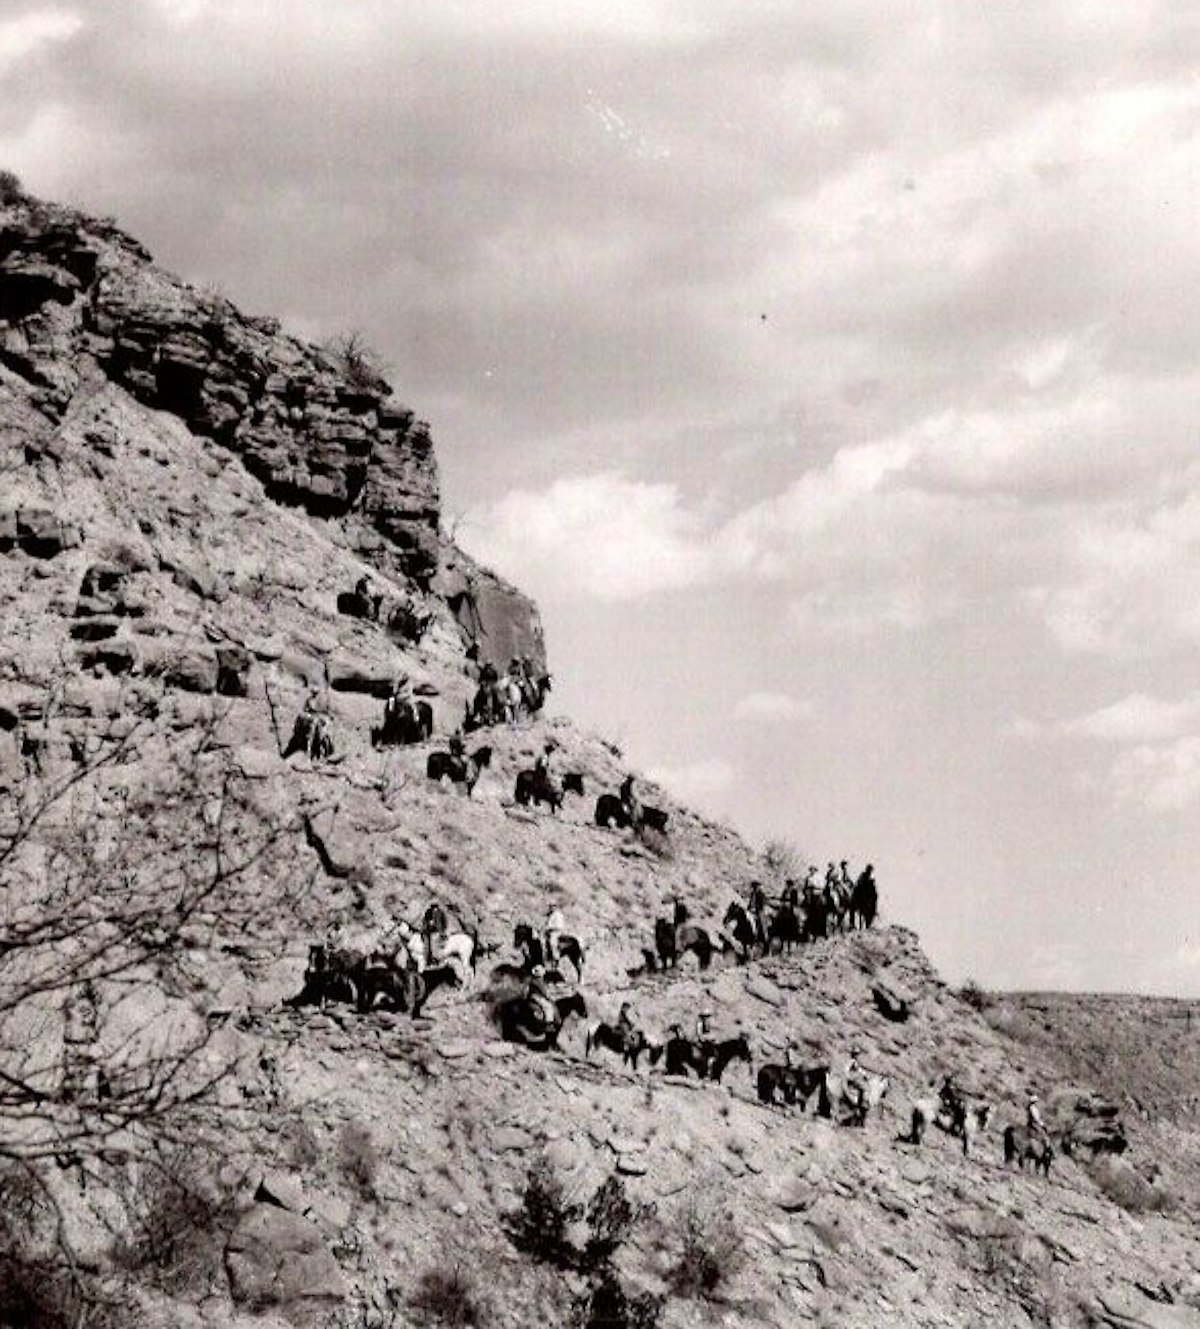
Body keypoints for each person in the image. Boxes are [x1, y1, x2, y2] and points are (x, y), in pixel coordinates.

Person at [526, 965, 557, 1029]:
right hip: (535, 996)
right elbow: (544, 992)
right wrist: (549, 998)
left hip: (534, 996)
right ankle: (549, 1024)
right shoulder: (537, 981)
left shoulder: (534, 980)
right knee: (548, 1006)